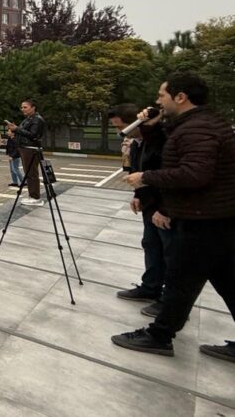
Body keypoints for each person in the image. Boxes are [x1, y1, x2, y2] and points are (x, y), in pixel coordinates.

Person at [113, 73, 235, 363]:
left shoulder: (198, 129)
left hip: (203, 220)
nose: (158, 101)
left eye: (162, 95)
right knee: (224, 282)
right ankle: (161, 332)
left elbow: (195, 173)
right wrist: (152, 128)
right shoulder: (198, 124)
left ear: (181, 97)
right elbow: (168, 153)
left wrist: (146, 178)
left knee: (181, 281)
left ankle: (159, 335)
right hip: (215, 219)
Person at [110, 104, 171, 318]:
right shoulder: (136, 144)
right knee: (150, 244)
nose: (120, 133)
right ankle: (150, 287)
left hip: (165, 207)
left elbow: (170, 175)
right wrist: (137, 196)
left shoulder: (161, 141)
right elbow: (137, 173)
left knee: (169, 252)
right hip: (149, 205)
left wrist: (164, 208)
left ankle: (170, 302)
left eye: (122, 127)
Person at [6, 99, 46, 206]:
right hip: (25, 148)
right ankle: (32, 195)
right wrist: (14, 131)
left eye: (25, 107)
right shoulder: (28, 119)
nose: (22, 109)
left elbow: (33, 135)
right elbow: (23, 133)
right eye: (22, 107)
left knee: (32, 173)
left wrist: (17, 129)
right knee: (29, 173)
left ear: (33, 108)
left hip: (31, 149)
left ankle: (35, 197)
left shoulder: (37, 119)